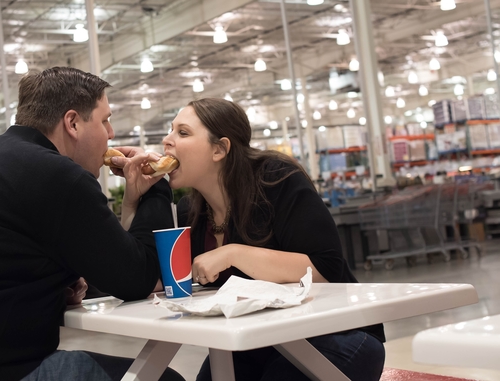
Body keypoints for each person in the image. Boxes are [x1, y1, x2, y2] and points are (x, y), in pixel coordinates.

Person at [0, 67, 184, 381]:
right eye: (104, 120)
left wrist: (51, 284)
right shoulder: (59, 176)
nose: (110, 134)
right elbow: (141, 277)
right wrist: (155, 184)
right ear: (72, 123)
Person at [162, 98, 385, 381]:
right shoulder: (191, 213)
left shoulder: (276, 179)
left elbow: (325, 269)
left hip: (335, 336)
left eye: (182, 132)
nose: (166, 140)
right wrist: (135, 198)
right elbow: (158, 280)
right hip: (256, 344)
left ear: (220, 149)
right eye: (171, 131)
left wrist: (232, 253)